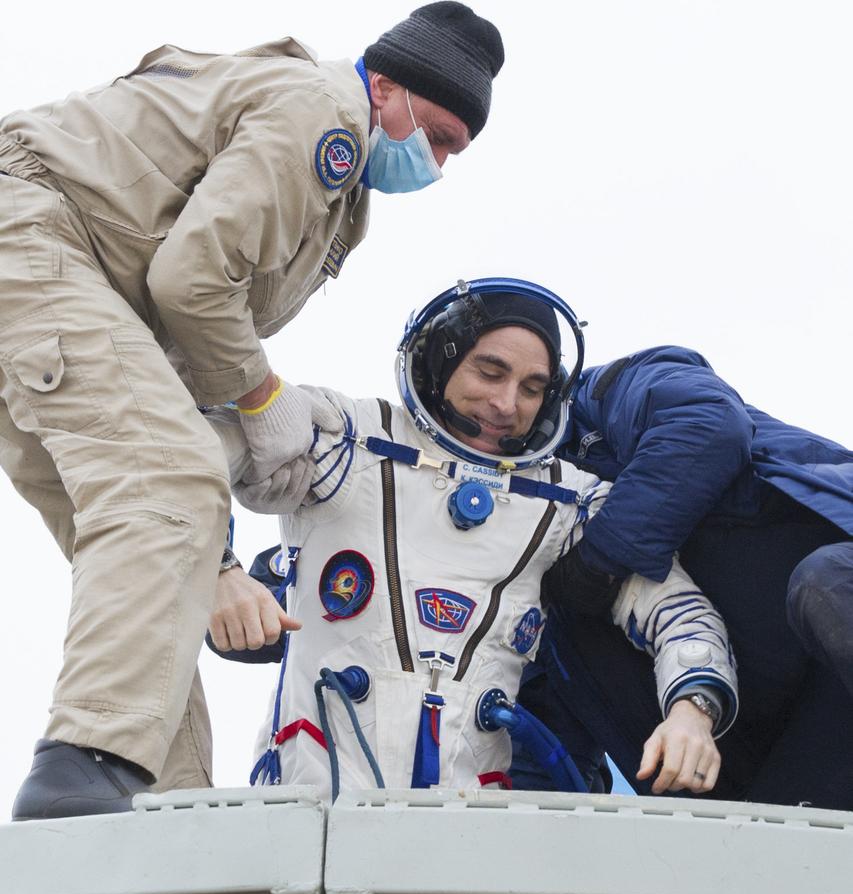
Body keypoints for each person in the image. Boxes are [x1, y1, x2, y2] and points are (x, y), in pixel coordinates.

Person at [0, 4, 505, 820]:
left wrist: (226, 564)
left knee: (166, 553)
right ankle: (83, 768)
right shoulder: (325, 113)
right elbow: (192, 282)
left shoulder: (342, 197)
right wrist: (263, 398)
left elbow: (175, 347)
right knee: (170, 483)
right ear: (385, 88)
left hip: (65, 277)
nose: (438, 165)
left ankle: (158, 824)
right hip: (35, 237)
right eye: (439, 136)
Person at [206, 280, 738, 799]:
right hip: (309, 809)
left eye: (532, 389)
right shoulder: (347, 440)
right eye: (490, 372)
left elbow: (678, 611)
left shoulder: (563, 503)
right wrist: (218, 571)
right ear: (441, 358)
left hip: (465, 836)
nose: (507, 403)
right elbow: (179, 449)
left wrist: (693, 710)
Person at [528, 344, 853, 808]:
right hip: (794, 722)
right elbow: (544, 744)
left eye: (528, 385)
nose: (503, 405)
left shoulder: (605, 395)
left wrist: (594, 565)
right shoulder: (524, 567)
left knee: (823, 582)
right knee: (756, 855)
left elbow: (709, 424)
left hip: (836, 587)